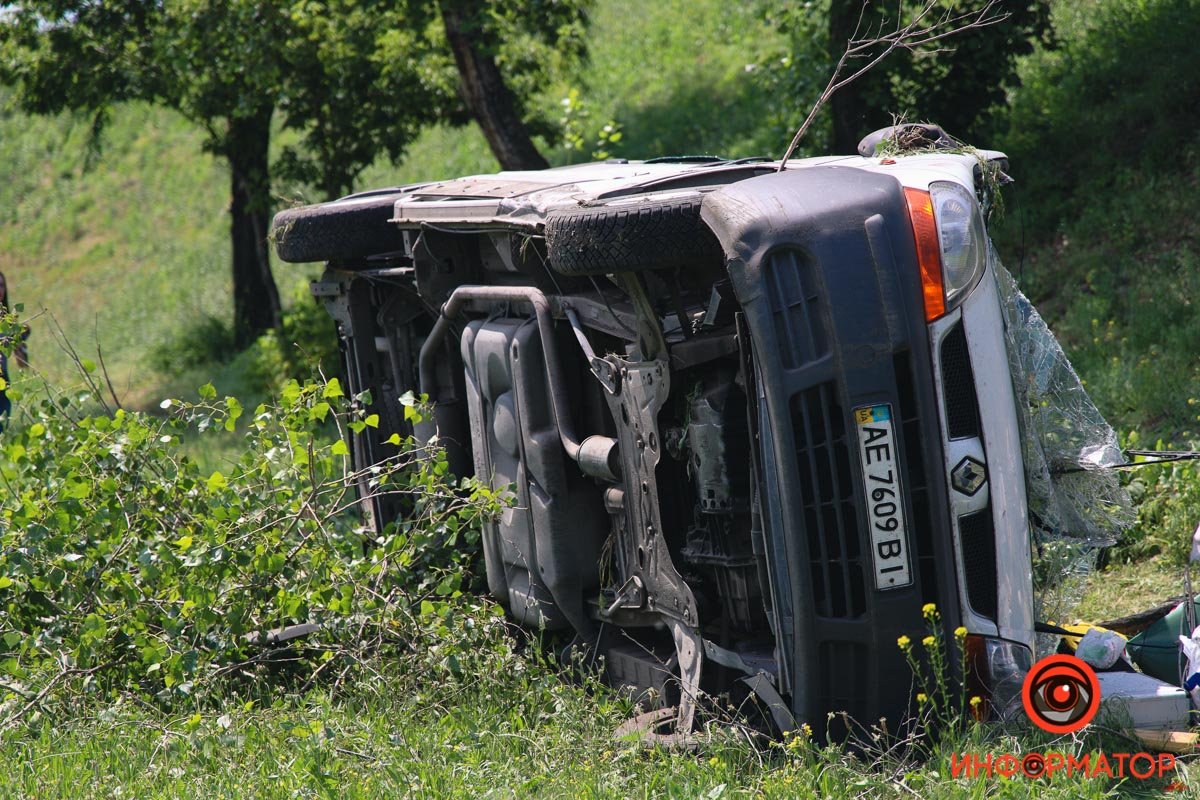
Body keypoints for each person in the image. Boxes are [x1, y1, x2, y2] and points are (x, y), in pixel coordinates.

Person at [0, 272, 29, 428]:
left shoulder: (9, 322)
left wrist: (19, 345)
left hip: (2, 382)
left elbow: (22, 364)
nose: (0, 289)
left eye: (2, 285)